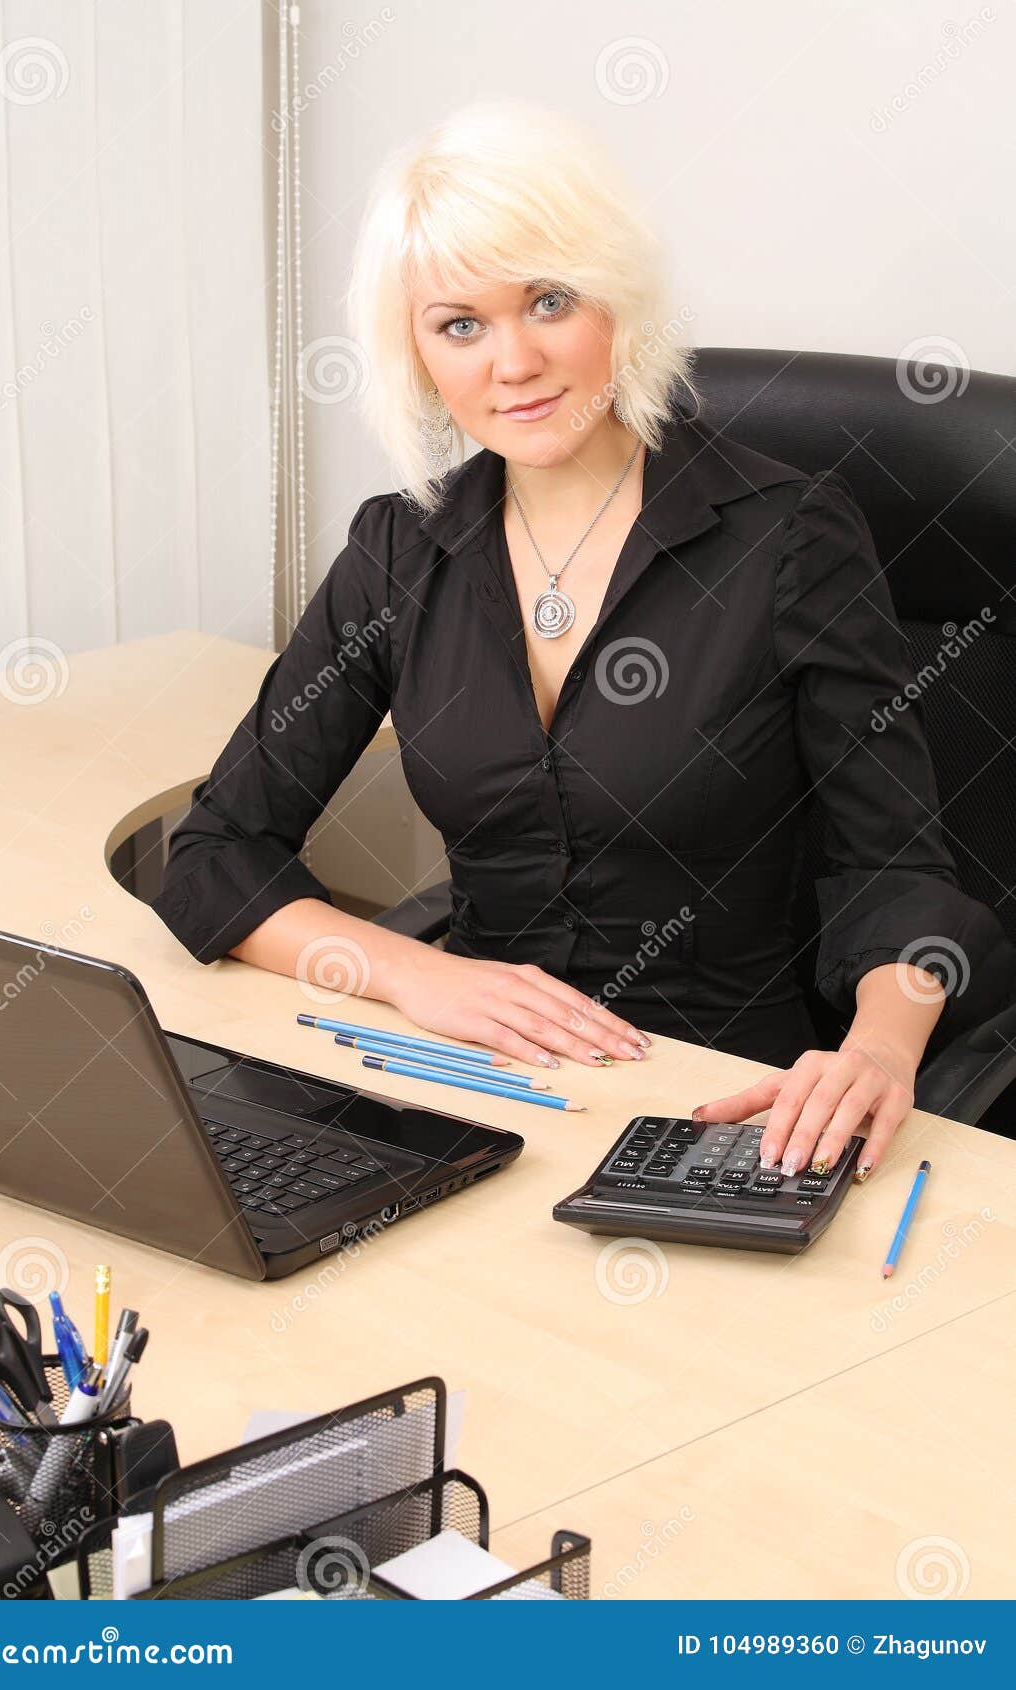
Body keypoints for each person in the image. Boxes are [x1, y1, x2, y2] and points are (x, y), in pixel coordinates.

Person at [152, 99, 1016, 1182]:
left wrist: (877, 1049)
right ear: (417, 357)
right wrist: (414, 977)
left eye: (547, 301)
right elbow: (215, 853)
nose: (510, 362)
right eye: (457, 323)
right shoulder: (397, 551)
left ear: (615, 298)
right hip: (461, 1082)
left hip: (709, 1095)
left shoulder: (787, 539)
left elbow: (891, 870)